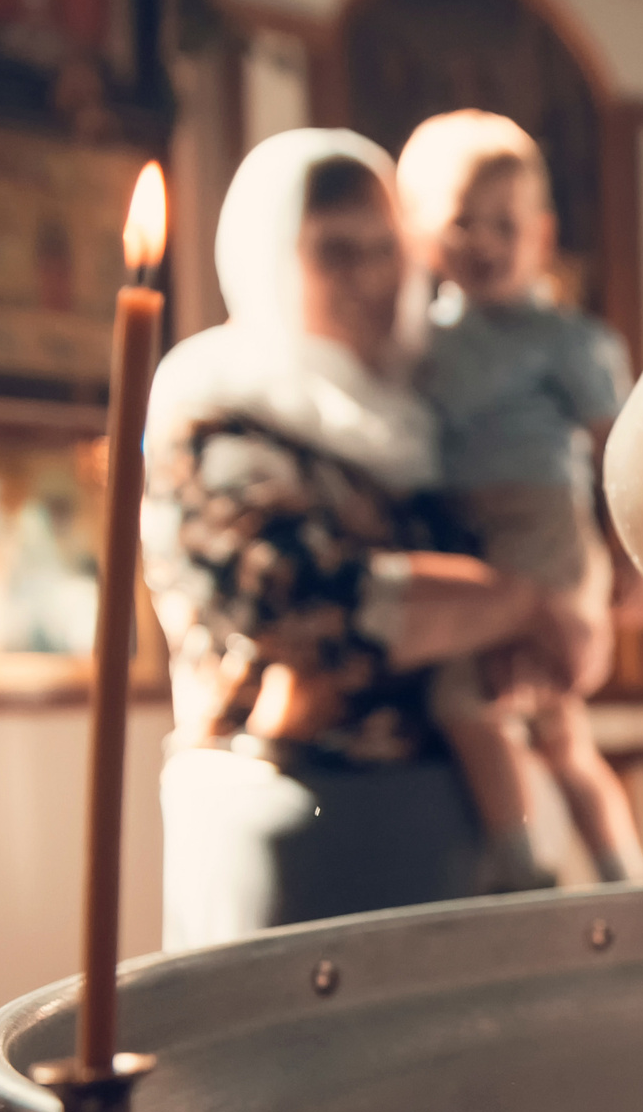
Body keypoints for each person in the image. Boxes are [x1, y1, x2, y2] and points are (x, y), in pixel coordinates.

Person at [142, 129, 574, 948]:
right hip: (289, 820)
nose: (369, 278)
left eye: (386, 249)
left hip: (450, 833)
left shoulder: (424, 417)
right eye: (334, 251)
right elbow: (303, 601)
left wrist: (523, 617)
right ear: (269, 257)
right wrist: (520, 604)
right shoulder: (214, 406)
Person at [396, 110, 643, 888]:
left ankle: (522, 863)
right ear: (422, 237)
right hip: (465, 534)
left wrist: (632, 562)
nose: (483, 242)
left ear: (540, 237)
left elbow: (624, 451)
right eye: (461, 223)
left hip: (542, 524)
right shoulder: (422, 337)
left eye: (504, 225)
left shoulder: (563, 339)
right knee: (558, 731)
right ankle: (623, 873)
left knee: (469, 706)